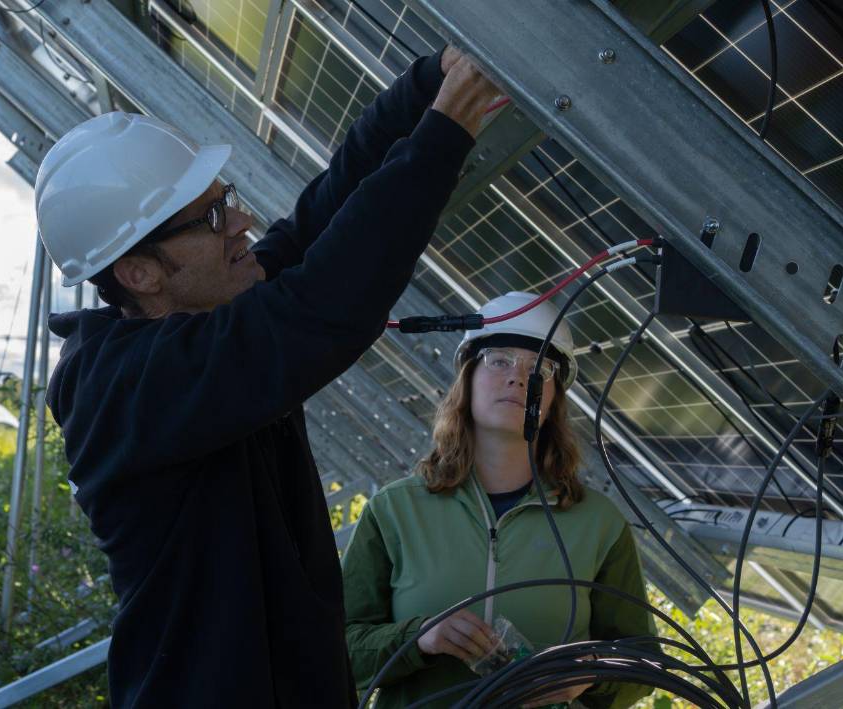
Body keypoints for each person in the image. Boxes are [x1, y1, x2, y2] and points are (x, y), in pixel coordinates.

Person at [36, 44, 501, 706]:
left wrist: (428, 83)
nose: (243, 221)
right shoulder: (129, 386)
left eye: (225, 198)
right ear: (140, 272)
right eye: (214, 217)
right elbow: (321, 305)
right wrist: (445, 131)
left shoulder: (205, 320)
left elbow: (317, 223)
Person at [342, 292, 656, 708]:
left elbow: (645, 661)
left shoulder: (597, 523)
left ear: (554, 400)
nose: (518, 377)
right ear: (467, 379)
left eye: (539, 368)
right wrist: (419, 638)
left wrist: (592, 670)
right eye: (499, 360)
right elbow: (335, 646)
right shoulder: (395, 510)